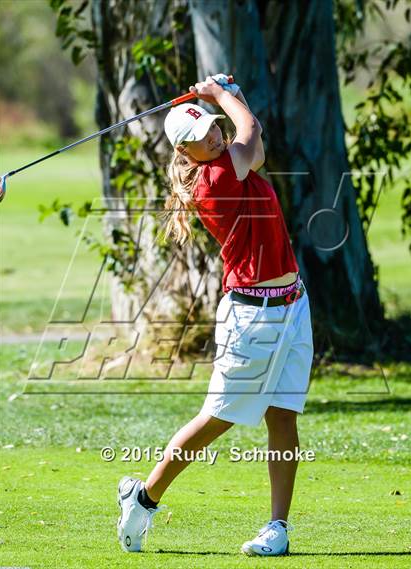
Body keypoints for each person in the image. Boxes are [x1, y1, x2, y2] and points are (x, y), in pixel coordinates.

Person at [116, 75, 314, 556]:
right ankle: (143, 498)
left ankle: (277, 528)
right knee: (218, 418)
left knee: (283, 418)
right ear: (187, 153)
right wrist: (222, 96)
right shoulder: (218, 178)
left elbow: (253, 137)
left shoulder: (233, 162)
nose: (213, 134)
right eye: (201, 135)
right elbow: (249, 131)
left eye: (212, 126)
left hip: (292, 306)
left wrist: (229, 98)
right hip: (253, 317)